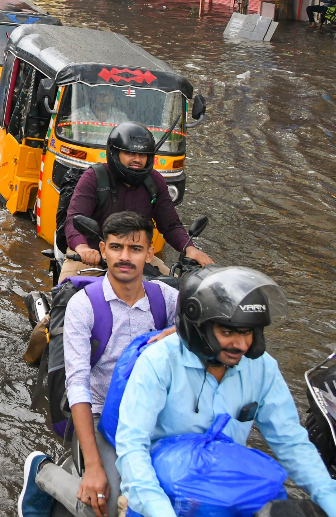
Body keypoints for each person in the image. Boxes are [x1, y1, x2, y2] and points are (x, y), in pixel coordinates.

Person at [114, 267, 336, 517]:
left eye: (248, 333)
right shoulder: (159, 362)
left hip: (226, 494)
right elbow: (132, 447)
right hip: (159, 495)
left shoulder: (262, 367)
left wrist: (329, 497)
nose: (240, 345)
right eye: (227, 332)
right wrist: (159, 510)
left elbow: (291, 443)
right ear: (198, 328)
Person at [19, 212, 178, 517]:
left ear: (150, 253)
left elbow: (207, 330)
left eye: (135, 249)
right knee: (104, 504)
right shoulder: (84, 305)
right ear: (103, 250)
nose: (125, 257)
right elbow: (77, 385)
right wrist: (93, 467)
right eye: (117, 247)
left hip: (155, 413)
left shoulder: (167, 299)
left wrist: (177, 332)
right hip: (100, 413)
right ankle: (43, 474)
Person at [61, 122, 212, 280]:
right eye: (130, 154)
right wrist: (83, 248)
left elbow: (171, 225)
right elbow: (73, 219)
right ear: (115, 153)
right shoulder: (94, 178)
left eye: (142, 155)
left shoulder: (155, 181)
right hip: (94, 255)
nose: (137, 160)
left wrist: (190, 249)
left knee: (175, 290)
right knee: (66, 294)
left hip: (138, 256)